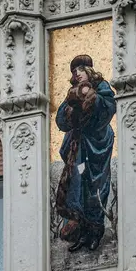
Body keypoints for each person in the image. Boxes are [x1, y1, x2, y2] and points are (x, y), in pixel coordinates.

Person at [55, 55, 116, 252]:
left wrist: (91, 97)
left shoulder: (101, 86)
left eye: (80, 69)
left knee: (96, 186)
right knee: (78, 184)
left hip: (97, 147)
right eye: (74, 71)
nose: (77, 74)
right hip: (79, 150)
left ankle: (95, 233)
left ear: (88, 70)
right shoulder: (71, 93)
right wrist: (72, 106)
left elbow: (108, 108)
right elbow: (61, 121)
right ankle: (81, 233)